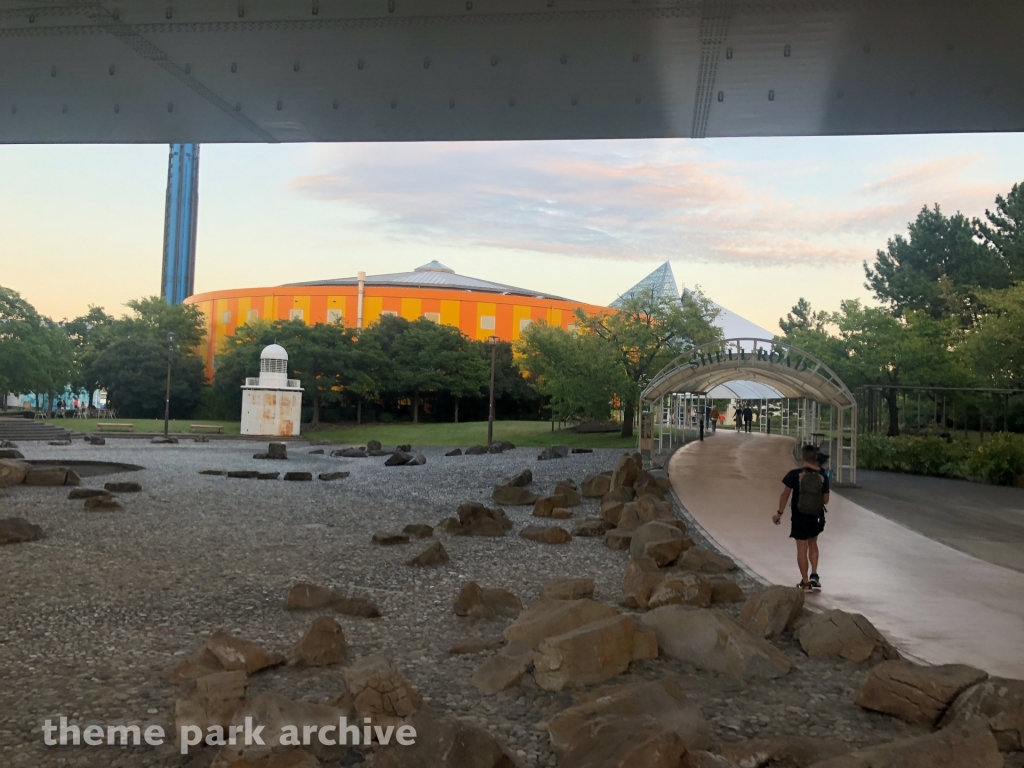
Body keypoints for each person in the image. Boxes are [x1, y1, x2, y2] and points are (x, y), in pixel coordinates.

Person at [773, 444, 829, 591]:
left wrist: (779, 513)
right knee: (813, 544)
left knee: (801, 549)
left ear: (803, 457)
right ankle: (814, 576)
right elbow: (826, 500)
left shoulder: (794, 474)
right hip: (817, 517)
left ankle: (805, 583)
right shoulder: (823, 475)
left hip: (800, 517)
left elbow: (785, 495)